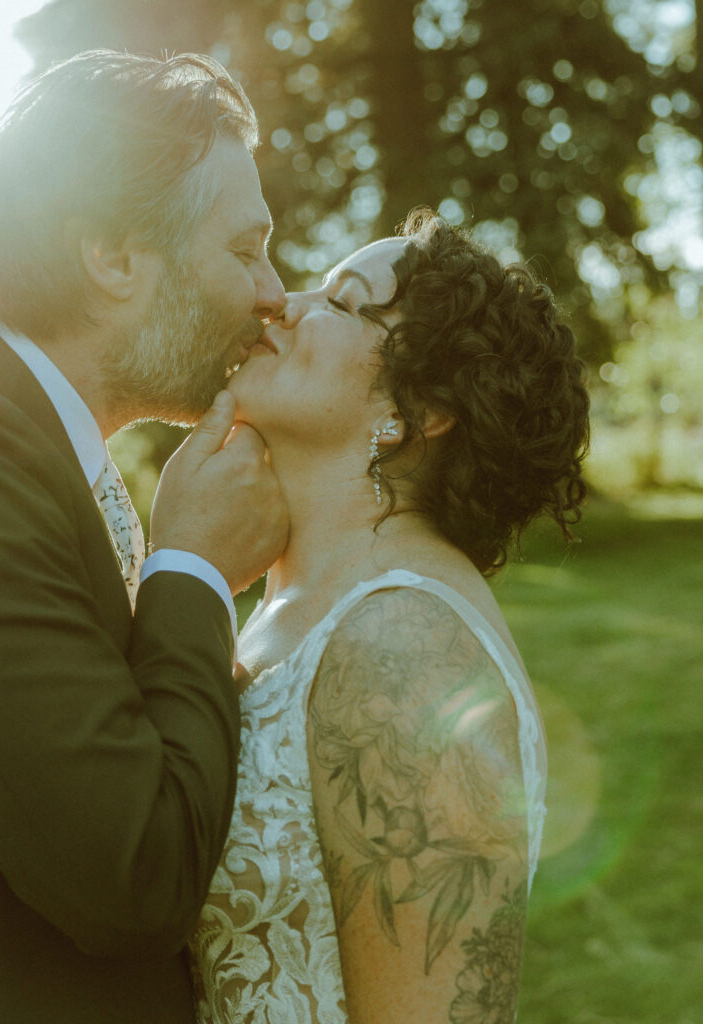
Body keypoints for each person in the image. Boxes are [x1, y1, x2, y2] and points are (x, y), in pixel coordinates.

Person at [0, 51, 288, 1024]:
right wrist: (191, 565)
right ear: (111, 256)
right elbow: (131, 873)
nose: (276, 292)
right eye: (244, 249)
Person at [190, 208, 590, 1023]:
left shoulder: (405, 646)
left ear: (418, 410)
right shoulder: (280, 605)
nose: (285, 304)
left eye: (342, 304)